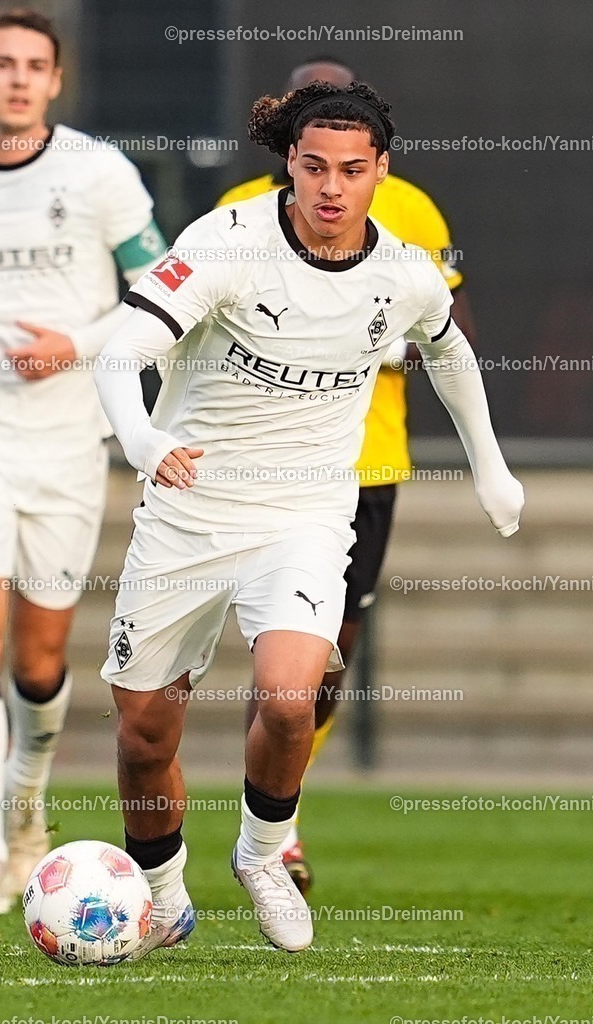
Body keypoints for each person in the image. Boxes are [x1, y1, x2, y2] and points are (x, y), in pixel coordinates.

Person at [94, 79, 524, 956]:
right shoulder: (226, 243)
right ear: (288, 164)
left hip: (304, 513)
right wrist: (140, 437)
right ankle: (162, 891)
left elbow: (450, 354)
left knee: (291, 699)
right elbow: (122, 346)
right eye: (315, 167)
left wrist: (491, 467)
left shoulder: (404, 270)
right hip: (188, 509)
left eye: (352, 171)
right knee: (143, 734)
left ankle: (260, 854)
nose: (331, 188)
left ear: (381, 172)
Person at [0, 8, 166, 913]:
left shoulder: (99, 173)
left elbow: (163, 283)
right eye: (3, 64)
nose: (19, 78)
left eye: (35, 66)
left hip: (63, 440)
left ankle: (27, 805)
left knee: (40, 659)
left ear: (55, 82)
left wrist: (82, 344)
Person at [217, 55, 477, 894]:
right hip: (246, 464)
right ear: (287, 136)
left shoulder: (407, 213)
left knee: (329, 656)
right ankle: (222, 828)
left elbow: (449, 330)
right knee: (250, 655)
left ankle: (272, 812)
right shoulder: (235, 218)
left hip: (363, 465)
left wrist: (366, 341)